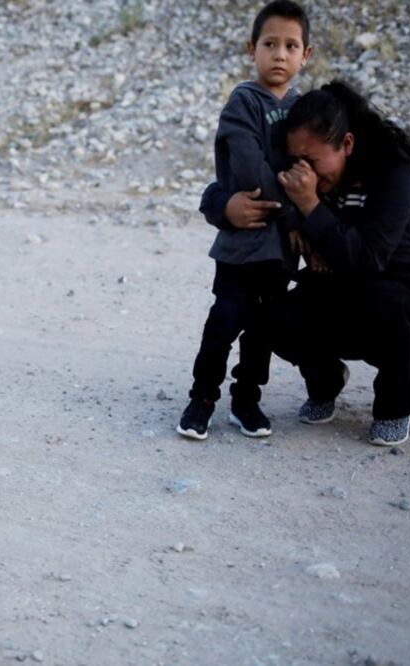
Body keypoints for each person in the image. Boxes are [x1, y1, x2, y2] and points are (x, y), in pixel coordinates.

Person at [210, 80, 410, 446]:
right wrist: (224, 207)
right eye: (297, 161)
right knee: (272, 314)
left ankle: (395, 405)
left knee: (385, 303)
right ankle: (326, 381)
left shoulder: (392, 170)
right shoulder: (302, 169)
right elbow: (233, 183)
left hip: (398, 291)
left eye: (313, 162)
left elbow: (370, 258)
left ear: (347, 143)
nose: (306, 173)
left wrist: (311, 206)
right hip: (337, 285)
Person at [177, 0, 313, 441]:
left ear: (305, 55)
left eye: (291, 46)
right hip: (242, 242)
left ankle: (246, 401)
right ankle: (202, 399)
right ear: (252, 49)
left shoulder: (303, 108)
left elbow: (311, 166)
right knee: (224, 321)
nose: (279, 55)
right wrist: (293, 214)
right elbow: (252, 168)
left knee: (261, 331)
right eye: (270, 44)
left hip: (280, 252)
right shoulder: (243, 103)